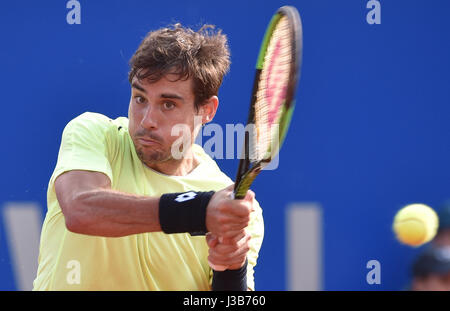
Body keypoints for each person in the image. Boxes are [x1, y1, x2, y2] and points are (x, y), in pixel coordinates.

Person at [33, 24, 264, 291]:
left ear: (207, 110)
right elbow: (80, 210)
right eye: (140, 98)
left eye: (168, 104)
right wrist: (199, 210)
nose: (147, 120)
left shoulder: (235, 210)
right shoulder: (94, 134)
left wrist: (231, 267)